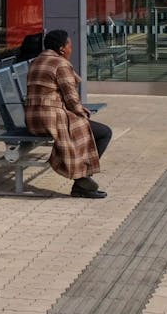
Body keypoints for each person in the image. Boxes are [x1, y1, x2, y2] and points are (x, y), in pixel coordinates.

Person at [23, 29, 112, 199]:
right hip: (50, 119)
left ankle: (82, 182)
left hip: (33, 120)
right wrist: (80, 111)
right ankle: (82, 180)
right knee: (103, 132)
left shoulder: (36, 61)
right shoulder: (60, 64)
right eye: (70, 45)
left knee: (84, 127)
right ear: (62, 49)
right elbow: (70, 96)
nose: (71, 49)